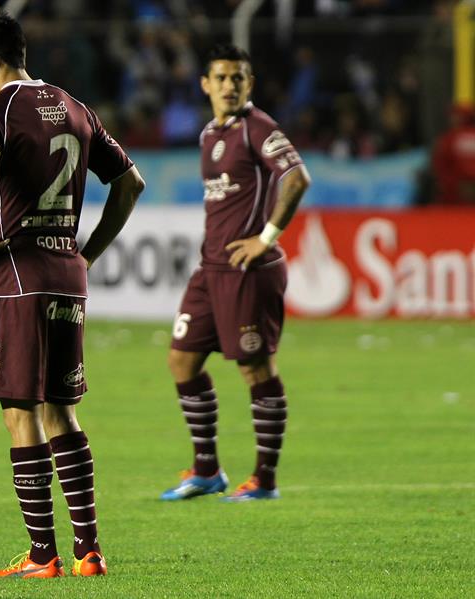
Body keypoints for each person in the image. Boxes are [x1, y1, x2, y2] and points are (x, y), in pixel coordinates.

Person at [0, 7, 145, 578]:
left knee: (20, 413)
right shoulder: (75, 107)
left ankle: (43, 555)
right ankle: (89, 551)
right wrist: (87, 254)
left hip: (16, 274)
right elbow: (130, 182)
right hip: (67, 273)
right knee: (63, 410)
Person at [160, 44, 310, 503]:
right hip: (212, 269)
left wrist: (265, 238)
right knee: (182, 360)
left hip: (249, 269)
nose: (229, 86)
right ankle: (207, 469)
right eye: (221, 78)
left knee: (255, 367)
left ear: (250, 85)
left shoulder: (257, 128)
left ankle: (264, 479)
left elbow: (297, 177)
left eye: (238, 78)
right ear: (205, 84)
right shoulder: (210, 133)